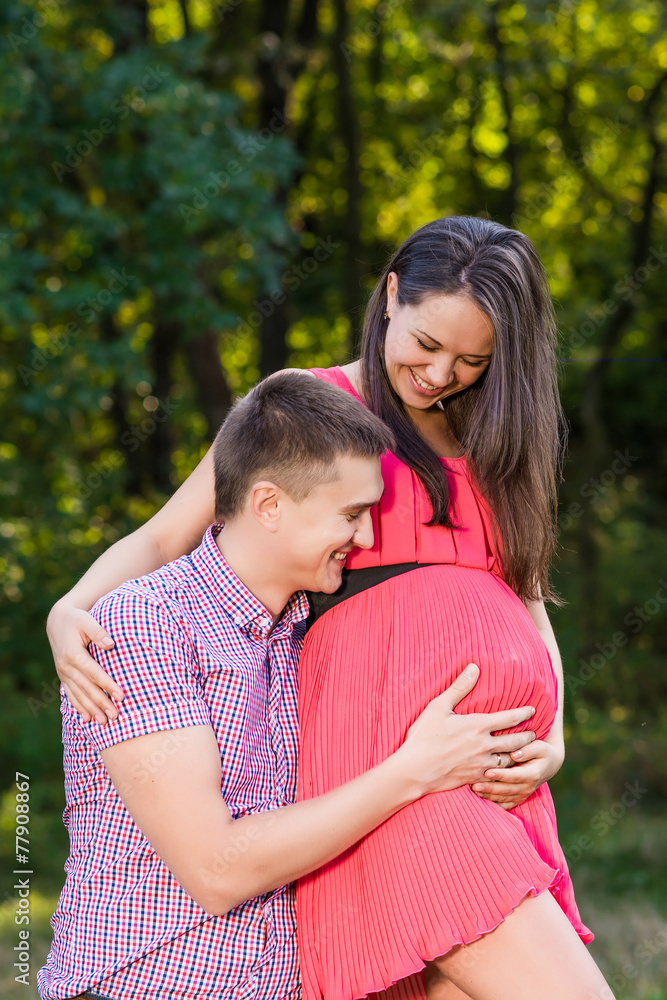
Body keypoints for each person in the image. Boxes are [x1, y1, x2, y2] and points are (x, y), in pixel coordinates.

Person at [47, 217, 615, 1000]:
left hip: (483, 773)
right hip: (385, 765)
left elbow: (523, 598)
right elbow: (162, 538)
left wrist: (550, 738)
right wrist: (70, 606)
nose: (439, 373)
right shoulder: (307, 413)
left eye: (470, 360)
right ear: (389, 295)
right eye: (424, 343)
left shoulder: (494, 440)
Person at [39, 373, 539, 1000]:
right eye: (352, 515)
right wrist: (415, 768)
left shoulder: (300, 633)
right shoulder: (143, 624)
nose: (364, 538)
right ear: (269, 505)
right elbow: (213, 869)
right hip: (148, 984)